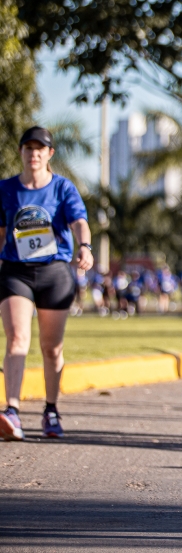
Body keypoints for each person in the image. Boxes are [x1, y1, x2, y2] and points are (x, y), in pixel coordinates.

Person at [0, 127, 92, 441]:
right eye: (28, 148)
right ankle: (12, 410)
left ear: (49, 154)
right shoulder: (6, 188)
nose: (34, 154)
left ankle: (50, 409)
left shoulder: (62, 187)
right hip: (16, 272)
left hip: (54, 272)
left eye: (40, 149)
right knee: (17, 339)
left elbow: (79, 221)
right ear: (21, 152)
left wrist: (85, 246)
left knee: (51, 348)